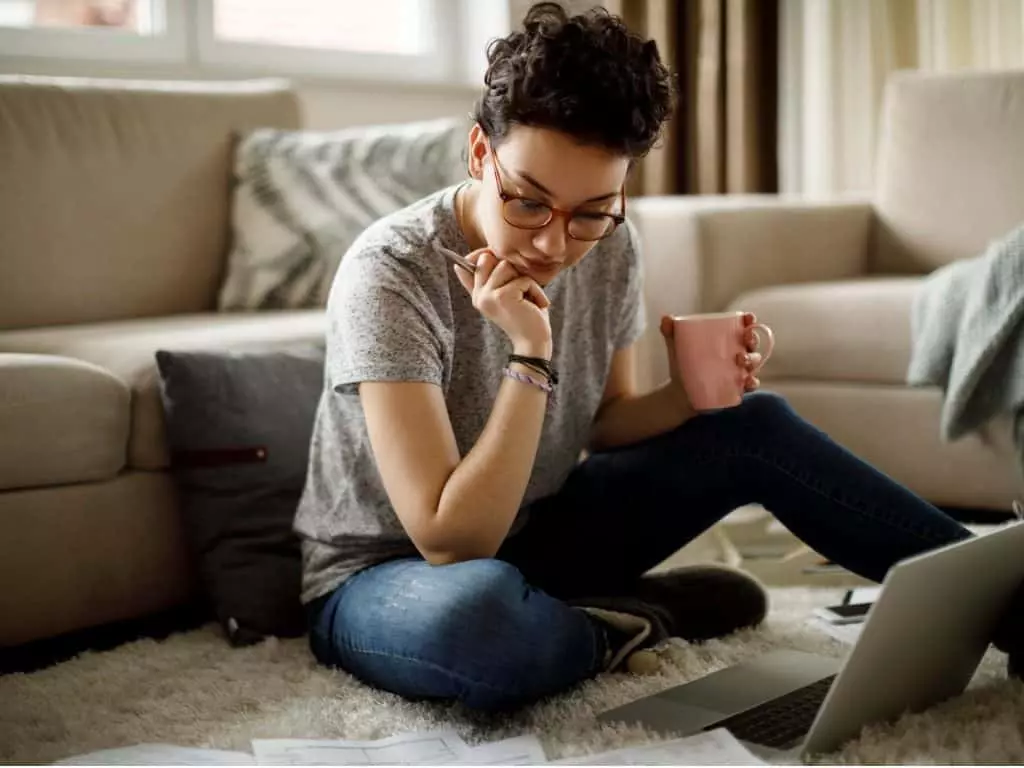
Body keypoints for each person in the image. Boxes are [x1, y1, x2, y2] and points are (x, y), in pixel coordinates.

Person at [294, 2, 1022, 711]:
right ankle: (631, 617)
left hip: (540, 534)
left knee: (754, 424)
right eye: (528, 203)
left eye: (591, 212)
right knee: (478, 627)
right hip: (392, 576)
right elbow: (452, 539)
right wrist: (532, 355)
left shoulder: (613, 245)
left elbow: (606, 423)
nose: (555, 243)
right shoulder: (391, 272)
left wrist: (689, 395)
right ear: (482, 152)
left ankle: (1014, 605)